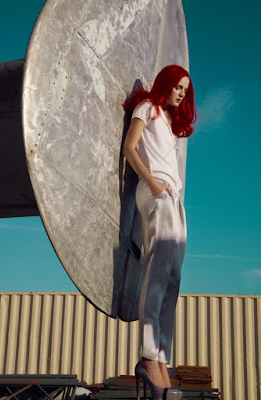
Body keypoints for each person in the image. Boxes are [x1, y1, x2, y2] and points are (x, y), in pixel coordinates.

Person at [122, 65, 197, 400]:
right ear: (165, 83)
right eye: (178, 86)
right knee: (157, 275)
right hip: (156, 192)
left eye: (185, 89)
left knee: (173, 280)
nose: (181, 93)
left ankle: (160, 359)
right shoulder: (147, 108)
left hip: (174, 198)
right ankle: (149, 358)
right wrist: (152, 183)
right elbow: (130, 146)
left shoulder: (168, 121)